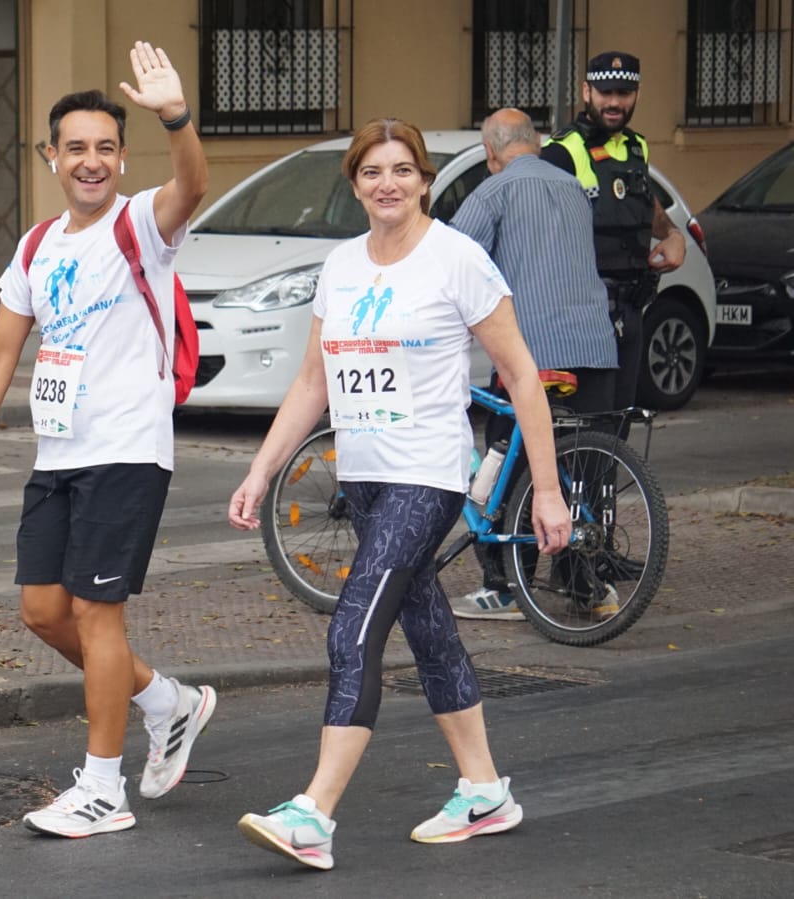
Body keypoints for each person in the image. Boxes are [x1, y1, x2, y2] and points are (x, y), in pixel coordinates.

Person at [226, 118, 571, 871]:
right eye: (372, 171)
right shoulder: (342, 266)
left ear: (423, 180)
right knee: (427, 629)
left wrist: (545, 488)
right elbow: (313, 381)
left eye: (402, 170)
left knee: (352, 626)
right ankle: (483, 790)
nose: (387, 183)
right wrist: (261, 470)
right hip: (367, 477)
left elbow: (519, 372)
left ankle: (314, 812)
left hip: (428, 473)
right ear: (354, 184)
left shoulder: (456, 261)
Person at [0, 41, 215, 839]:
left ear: (122, 158)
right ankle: (169, 702)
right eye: (75, 149)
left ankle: (102, 788)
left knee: (97, 614)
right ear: (50, 156)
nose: (89, 162)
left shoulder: (141, 223)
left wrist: (175, 117)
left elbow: (191, 183)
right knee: (39, 609)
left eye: (104, 148)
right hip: (59, 451)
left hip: (127, 447)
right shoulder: (35, 245)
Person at [448, 108, 617, 621]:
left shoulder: (492, 192)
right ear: (538, 143)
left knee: (512, 463)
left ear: (490, 154)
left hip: (532, 355)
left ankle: (503, 587)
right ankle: (586, 585)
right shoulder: (573, 189)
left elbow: (451, 260)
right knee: (583, 471)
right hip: (595, 349)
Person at [541, 52, 687, 426]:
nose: (615, 102)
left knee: (619, 425)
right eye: (606, 92)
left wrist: (671, 234)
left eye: (624, 93)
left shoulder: (637, 147)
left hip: (632, 309)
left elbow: (643, 203)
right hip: (585, 314)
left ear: (637, 94)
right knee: (588, 428)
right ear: (586, 91)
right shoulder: (562, 151)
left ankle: (603, 486)